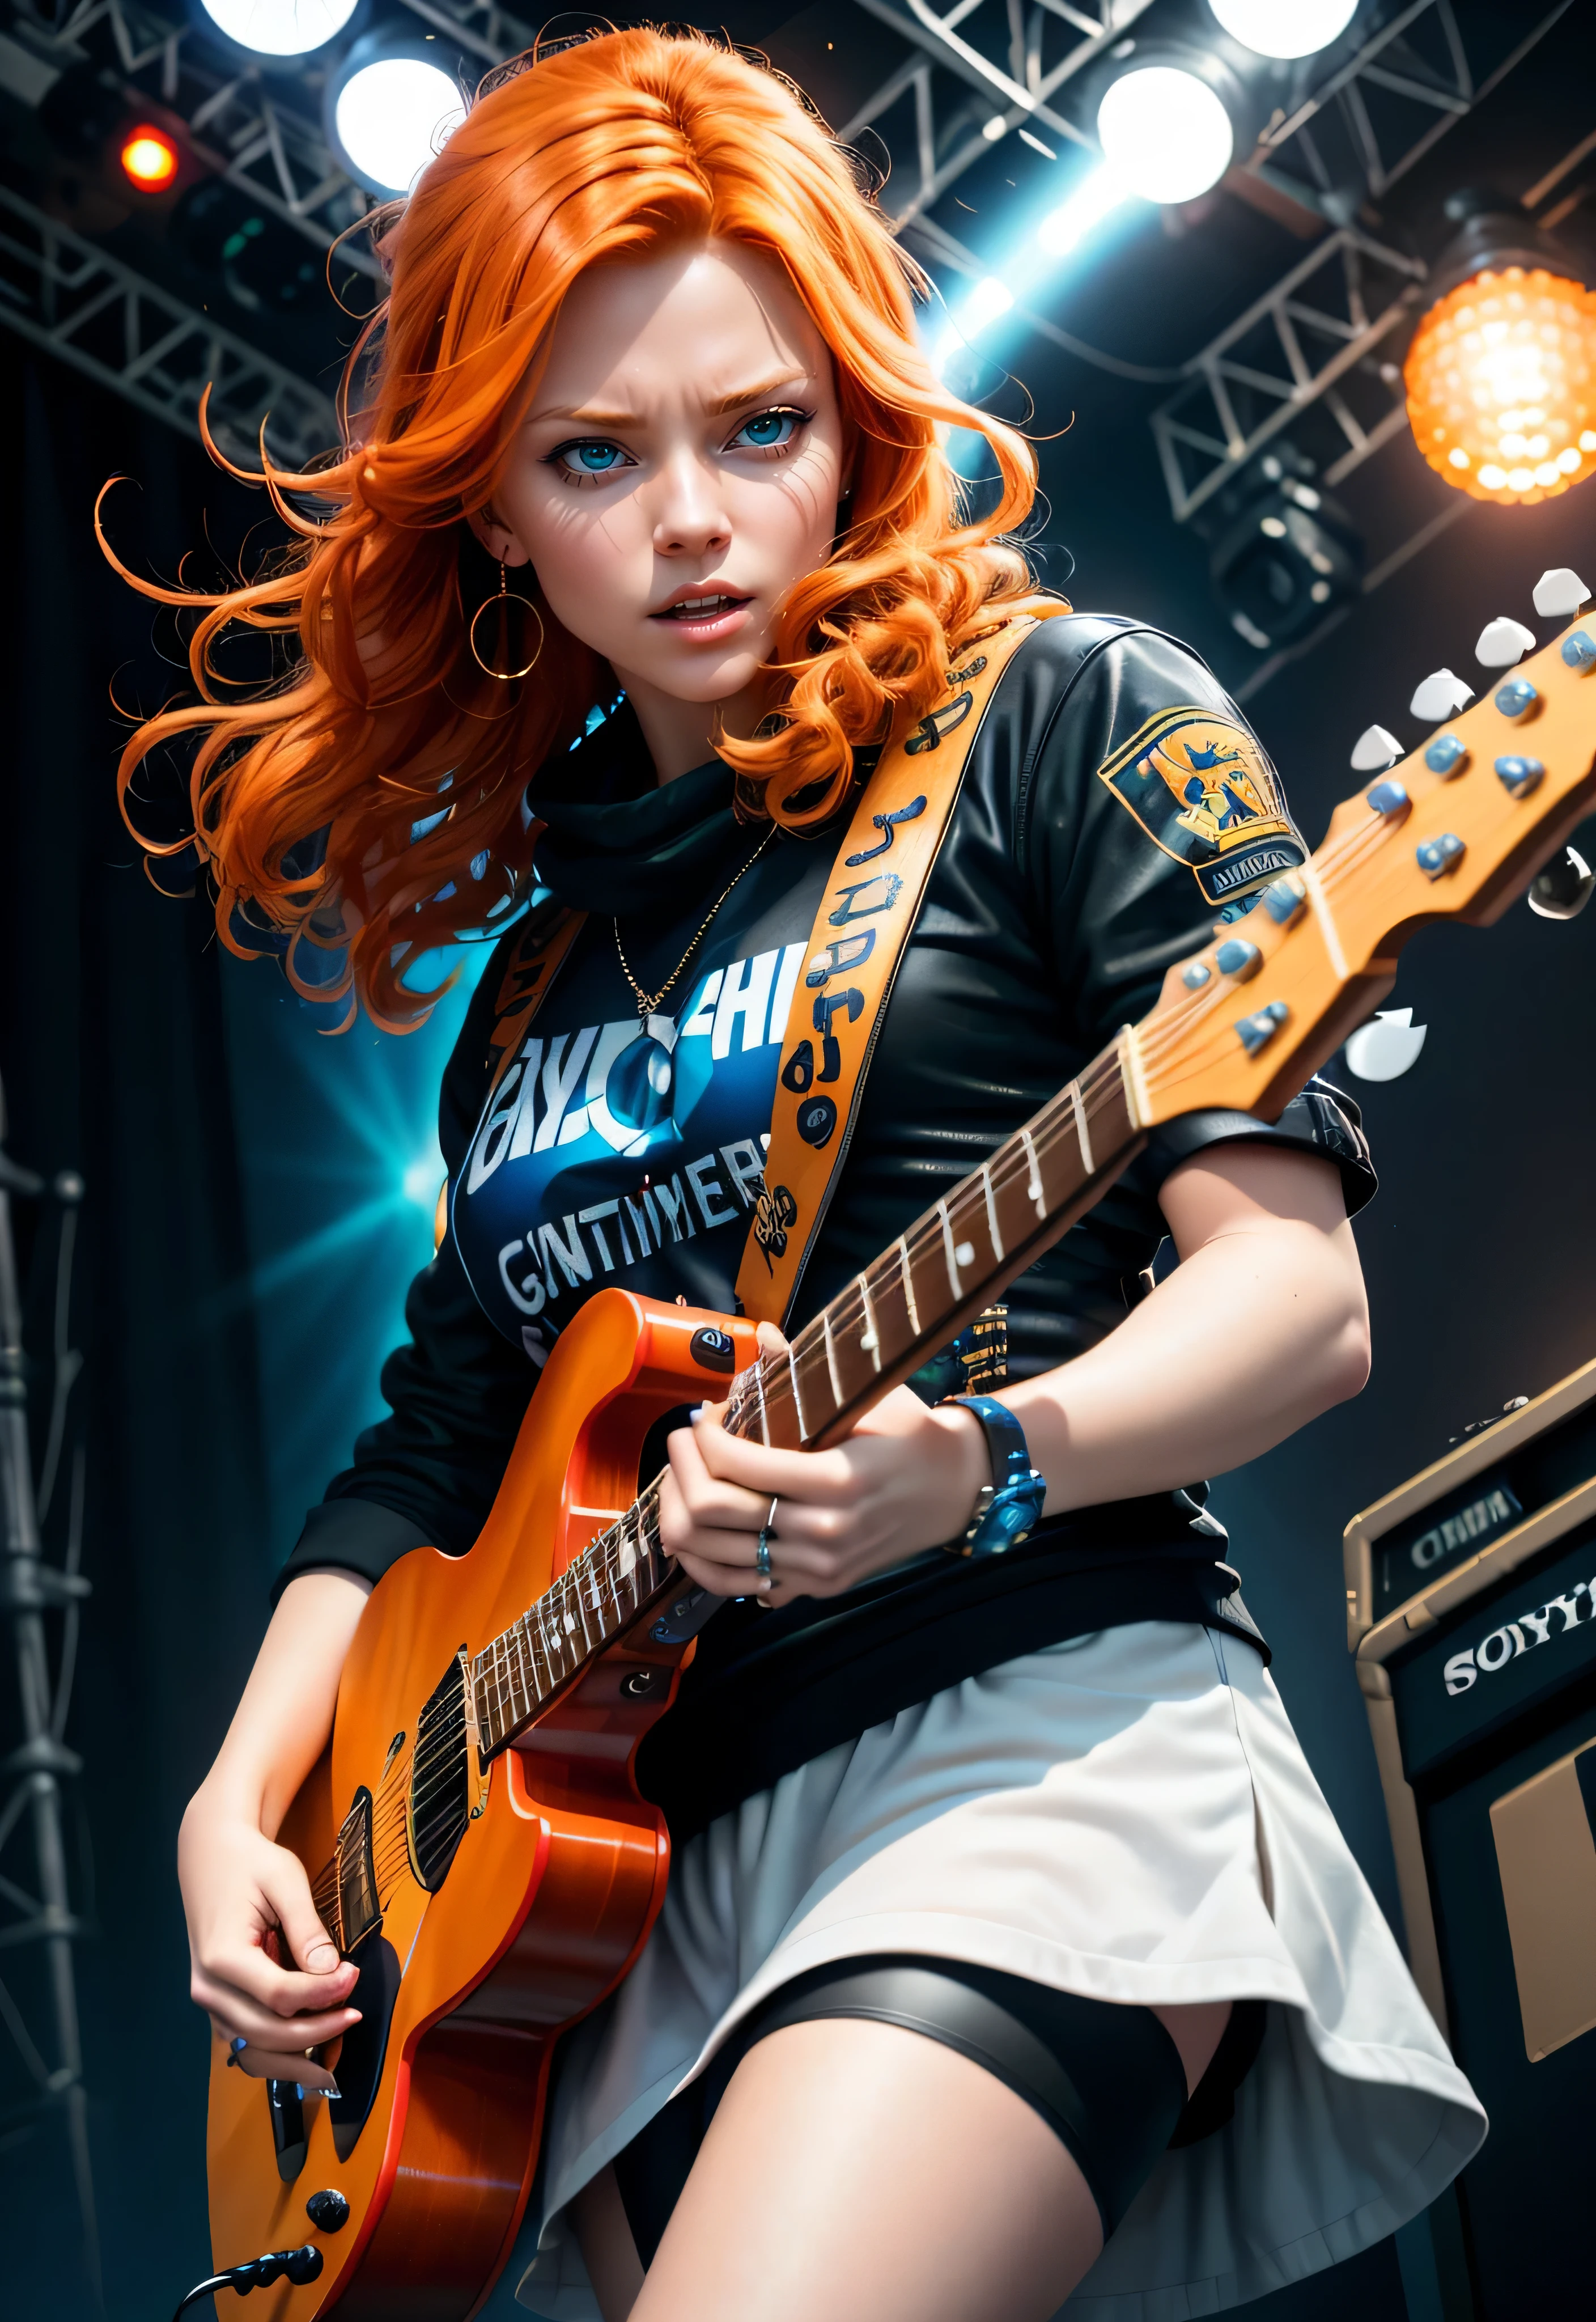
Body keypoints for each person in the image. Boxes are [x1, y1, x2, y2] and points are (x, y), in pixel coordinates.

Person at [112, 30, 1483, 2321]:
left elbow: (1292, 1306)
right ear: (491, 512)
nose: (687, 519)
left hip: (1026, 1743)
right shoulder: (528, 997)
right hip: (622, 1887)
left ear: (856, 415)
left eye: (757, 426)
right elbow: (429, 1463)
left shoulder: (1069, 721)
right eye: (591, 454)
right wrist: (234, 1814)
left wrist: (984, 1463)